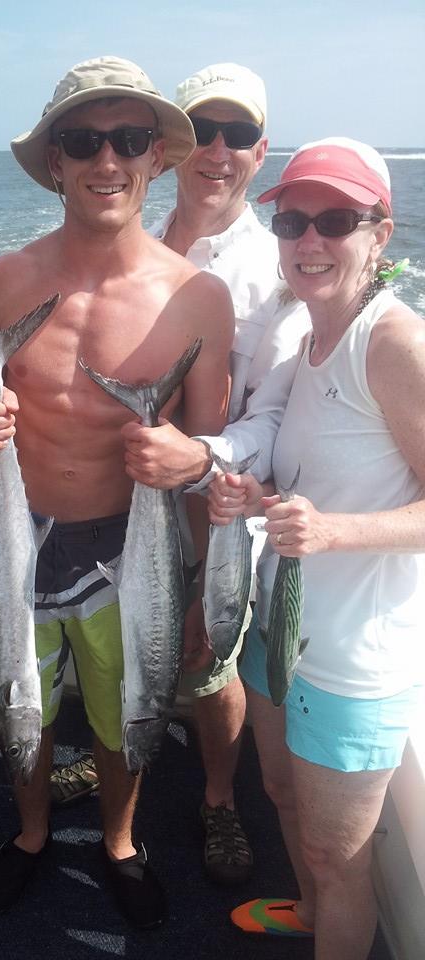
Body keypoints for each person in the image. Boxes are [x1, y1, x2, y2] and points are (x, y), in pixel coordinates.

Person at [0, 56, 234, 929]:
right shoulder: (3, 280)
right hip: (16, 544)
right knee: (19, 704)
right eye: (83, 141)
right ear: (55, 163)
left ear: (156, 156)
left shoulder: (200, 298)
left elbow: (207, 452)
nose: (105, 159)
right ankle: (34, 832)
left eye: (127, 139)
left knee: (129, 712)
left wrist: (199, 584)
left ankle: (119, 839)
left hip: (132, 553)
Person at [53, 62, 311, 886]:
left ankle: (218, 796)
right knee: (135, 648)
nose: (219, 149)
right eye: (205, 129)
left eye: (239, 135)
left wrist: (203, 465)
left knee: (209, 660)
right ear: (173, 148)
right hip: (125, 507)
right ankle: (119, 749)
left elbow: (276, 416)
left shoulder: (279, 269)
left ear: (260, 151)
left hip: (219, 503)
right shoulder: (139, 231)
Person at [209, 138, 425, 959]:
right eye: (293, 221)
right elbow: (300, 467)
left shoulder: (394, 344)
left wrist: (336, 532)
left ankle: (329, 912)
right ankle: (307, 909)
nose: (308, 241)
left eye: (335, 221)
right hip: (282, 631)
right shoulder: (310, 343)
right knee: (278, 795)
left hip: (355, 664)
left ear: (381, 234)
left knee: (341, 854)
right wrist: (247, 493)